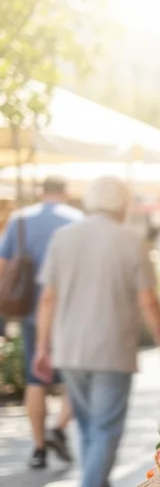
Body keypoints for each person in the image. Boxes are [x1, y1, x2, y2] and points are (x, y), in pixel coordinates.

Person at [32, 176, 160, 487]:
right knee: (105, 432)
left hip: (70, 349)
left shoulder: (64, 237)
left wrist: (42, 348)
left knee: (92, 432)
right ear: (123, 205)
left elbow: (48, 298)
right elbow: (148, 300)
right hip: (112, 350)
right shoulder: (129, 240)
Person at [0, 177, 80, 469]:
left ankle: (38, 448)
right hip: (69, 313)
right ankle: (59, 428)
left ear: (39, 193)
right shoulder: (76, 220)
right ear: (66, 193)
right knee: (74, 378)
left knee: (35, 380)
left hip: (31, 312)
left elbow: (2, 266)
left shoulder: (20, 220)